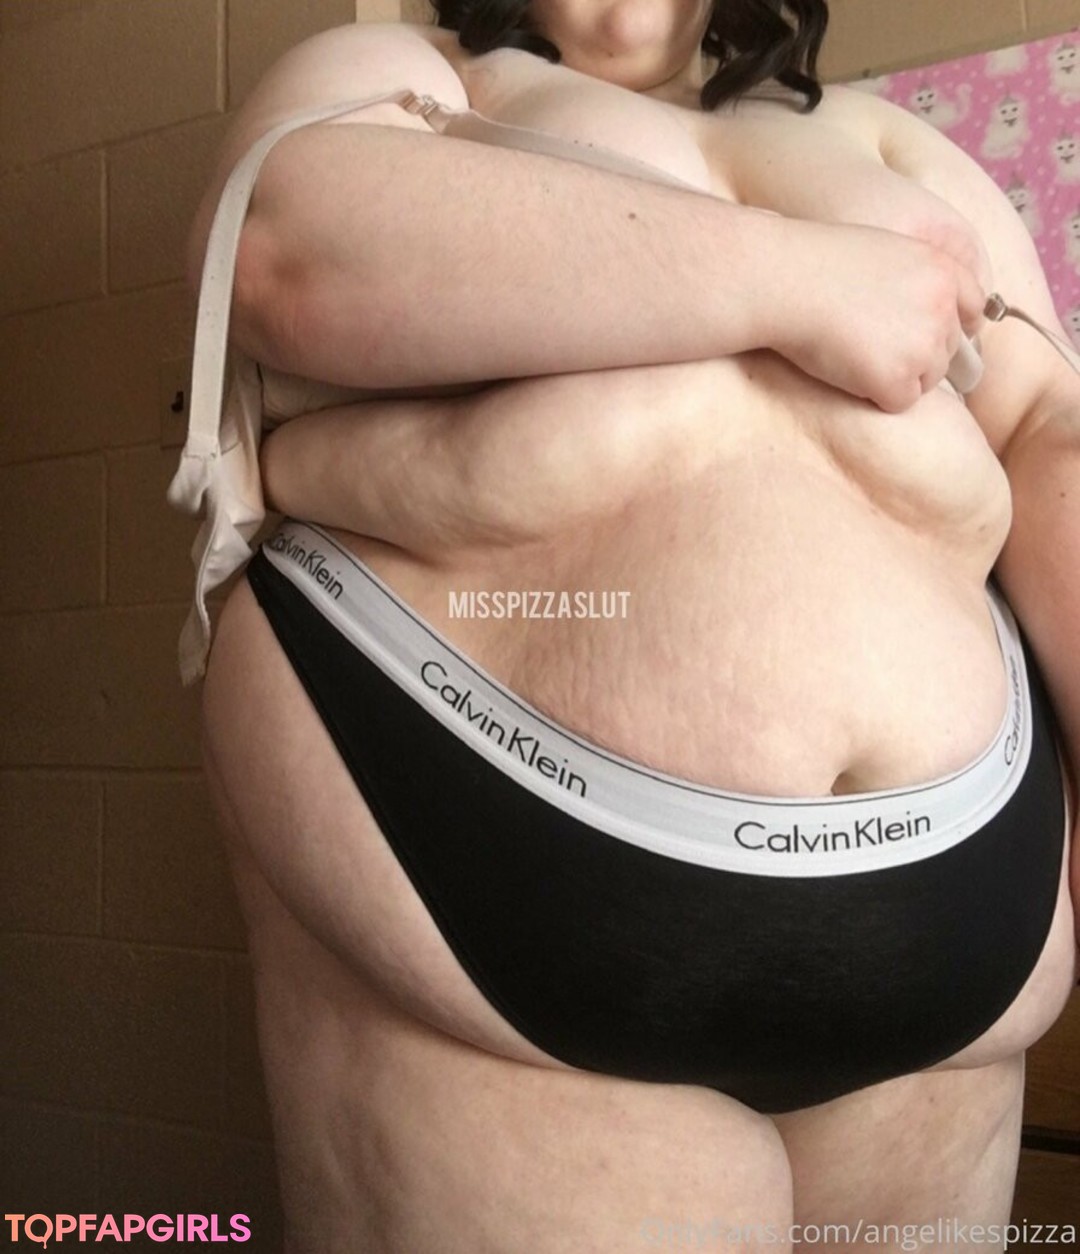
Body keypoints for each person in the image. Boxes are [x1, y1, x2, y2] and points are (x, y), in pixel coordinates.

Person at [183, 1, 1079, 1249]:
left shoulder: (885, 145)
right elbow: (287, 257)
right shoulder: (410, 72)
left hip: (962, 877)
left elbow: (1049, 435)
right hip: (503, 832)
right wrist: (802, 280)